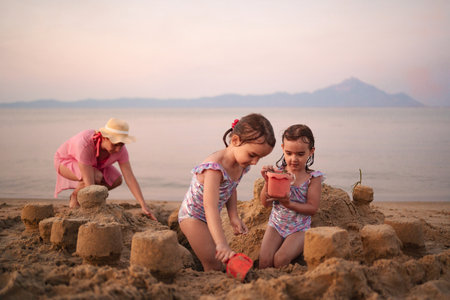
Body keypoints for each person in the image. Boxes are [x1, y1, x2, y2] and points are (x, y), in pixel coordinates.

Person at [178, 113, 276, 271]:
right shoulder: (214, 167)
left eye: (260, 158)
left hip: (209, 216)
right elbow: (209, 206)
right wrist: (222, 243)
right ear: (236, 140)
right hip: (193, 216)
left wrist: (234, 217)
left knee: (219, 259)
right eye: (252, 155)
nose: (255, 162)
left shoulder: (241, 164)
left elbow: (231, 188)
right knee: (213, 261)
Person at [53, 117, 156, 220]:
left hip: (94, 166)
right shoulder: (85, 144)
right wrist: (94, 208)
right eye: (115, 144)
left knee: (117, 180)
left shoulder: (120, 150)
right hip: (66, 161)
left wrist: (143, 205)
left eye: (122, 144)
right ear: (105, 137)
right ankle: (76, 197)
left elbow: (130, 177)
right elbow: (90, 184)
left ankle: (82, 195)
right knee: (96, 176)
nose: (118, 149)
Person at [258, 124, 324, 269]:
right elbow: (265, 203)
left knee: (280, 259)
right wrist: (267, 181)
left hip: (299, 228)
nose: (294, 159)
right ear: (282, 149)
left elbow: (312, 208)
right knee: (264, 262)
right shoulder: (278, 174)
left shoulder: (312, 178)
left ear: (310, 152)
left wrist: (289, 204)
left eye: (300, 154)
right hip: (276, 224)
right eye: (289, 153)